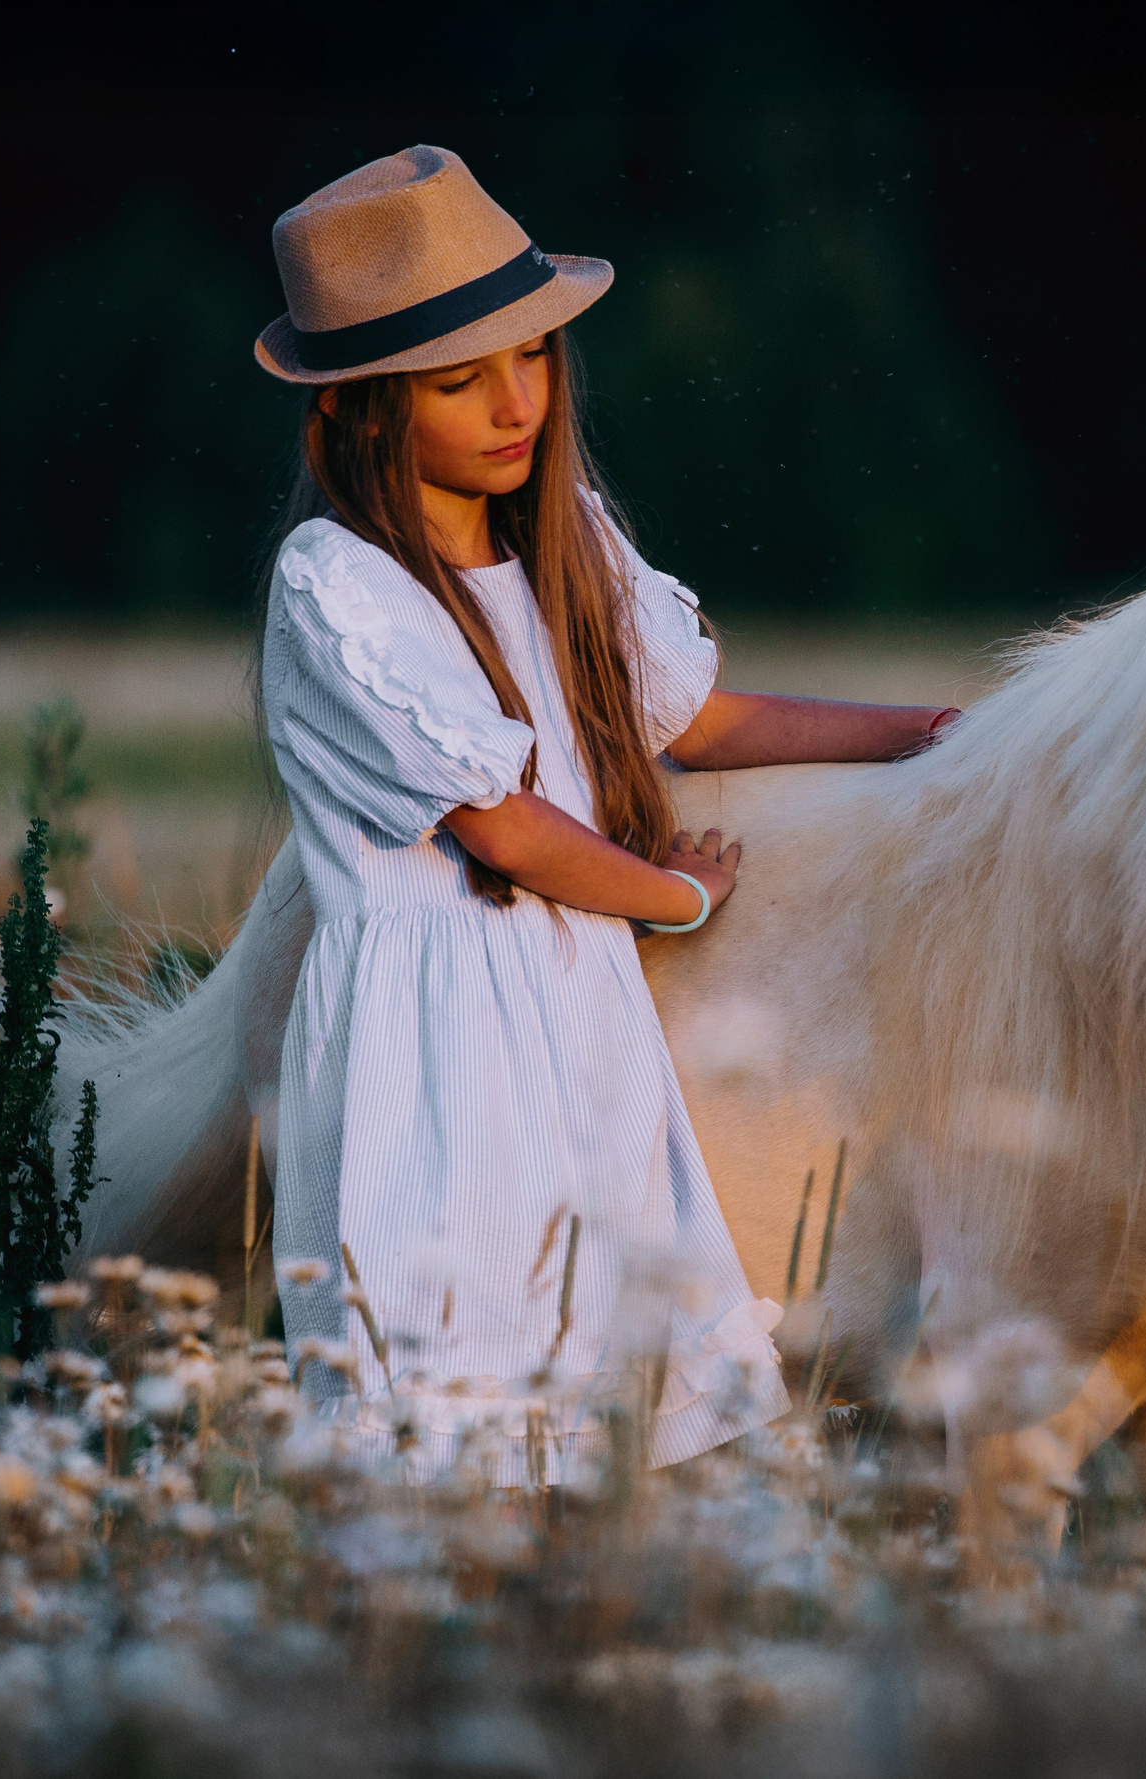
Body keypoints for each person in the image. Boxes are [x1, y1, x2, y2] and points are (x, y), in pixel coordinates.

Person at [251, 147, 958, 1482]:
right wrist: (677, 896)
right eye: (462, 382)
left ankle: (593, 1667)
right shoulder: (338, 585)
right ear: (358, 413)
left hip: (581, 1013)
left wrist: (915, 730)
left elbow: (697, 719)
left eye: (531, 359)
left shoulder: (556, 534)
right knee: (459, 1433)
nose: (516, 404)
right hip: (441, 1048)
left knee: (620, 1416)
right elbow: (503, 829)